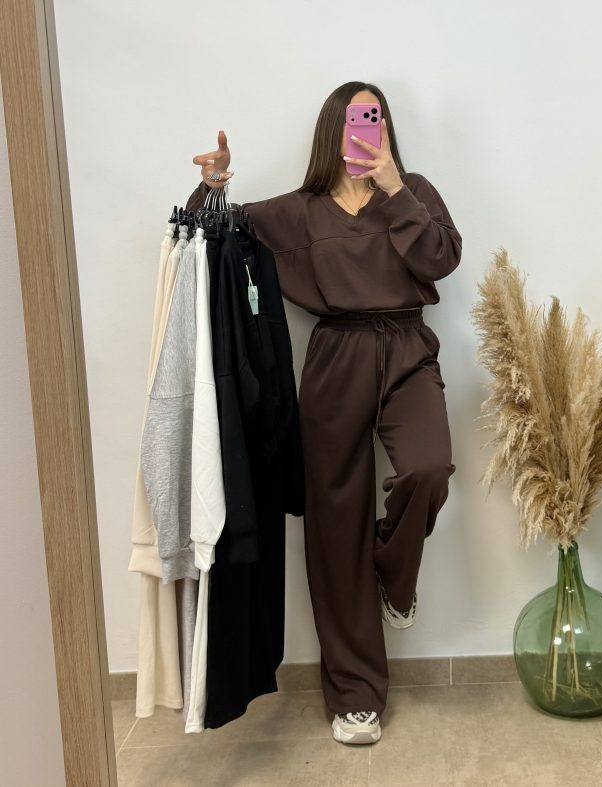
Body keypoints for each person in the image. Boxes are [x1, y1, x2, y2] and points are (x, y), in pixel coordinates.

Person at [186, 80, 462, 745]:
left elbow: (443, 259)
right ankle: (355, 694)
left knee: (428, 468)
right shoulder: (302, 210)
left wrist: (393, 187)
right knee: (335, 524)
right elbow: (218, 232)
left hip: (407, 348)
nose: (367, 128)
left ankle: (393, 576)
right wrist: (212, 185)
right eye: (356, 118)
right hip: (337, 354)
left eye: (376, 117)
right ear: (333, 129)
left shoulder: (415, 190)